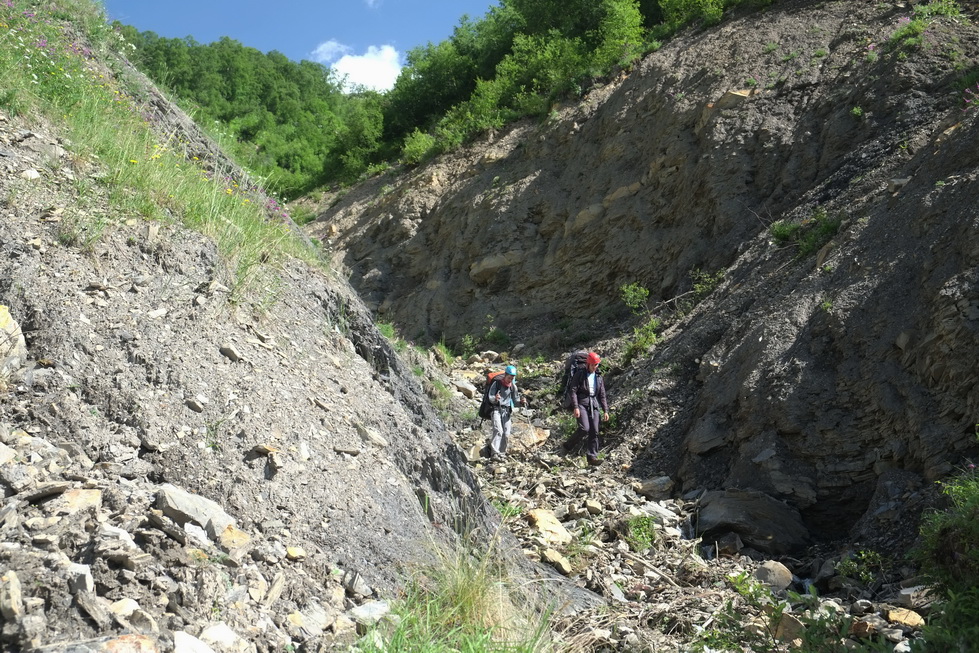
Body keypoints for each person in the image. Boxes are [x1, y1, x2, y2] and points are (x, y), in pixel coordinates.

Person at [562, 352, 609, 466]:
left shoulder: (598, 376)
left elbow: (602, 395)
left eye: (596, 365)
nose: (595, 367)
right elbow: (573, 391)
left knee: (595, 431)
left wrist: (606, 410)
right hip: (582, 403)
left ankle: (592, 457)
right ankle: (567, 446)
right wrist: (576, 407)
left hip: (594, 404)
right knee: (584, 428)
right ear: (588, 364)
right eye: (593, 365)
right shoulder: (580, 374)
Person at [487, 364, 524, 460]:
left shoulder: (513, 387)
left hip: (506, 412)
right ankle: (494, 453)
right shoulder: (497, 384)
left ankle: (502, 453)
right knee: (498, 430)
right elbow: (490, 397)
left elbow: (515, 401)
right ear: (505, 375)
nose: (510, 380)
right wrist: (495, 398)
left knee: (506, 433)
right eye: (509, 378)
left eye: (512, 378)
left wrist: (521, 402)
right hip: (496, 409)